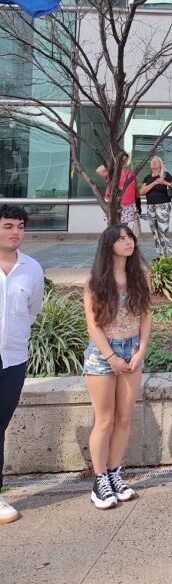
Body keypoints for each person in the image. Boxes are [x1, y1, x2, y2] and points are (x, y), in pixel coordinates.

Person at [82, 224, 151, 510]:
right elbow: (93, 324)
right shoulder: (96, 281)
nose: (128, 242)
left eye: (130, 237)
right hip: (103, 355)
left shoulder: (141, 276)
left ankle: (114, 473)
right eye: (121, 238)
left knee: (124, 418)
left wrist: (141, 350)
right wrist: (111, 357)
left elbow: (146, 315)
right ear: (108, 244)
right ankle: (99, 481)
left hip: (132, 351)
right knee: (105, 420)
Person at [0, 205, 44, 524]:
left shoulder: (32, 268)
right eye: (8, 226)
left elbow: (32, 309)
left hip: (13, 359)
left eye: (20, 226)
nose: (16, 232)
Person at [139, 156, 172, 259]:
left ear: (160, 164)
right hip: (150, 206)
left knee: (163, 229)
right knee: (154, 230)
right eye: (152, 161)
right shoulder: (147, 178)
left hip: (163, 205)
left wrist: (165, 182)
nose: (153, 163)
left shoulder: (165, 175)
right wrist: (154, 183)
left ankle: (166, 255)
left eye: (156, 161)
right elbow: (142, 192)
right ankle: (160, 254)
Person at [96, 152, 140, 233]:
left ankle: (120, 243)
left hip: (128, 205)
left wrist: (138, 206)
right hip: (114, 204)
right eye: (121, 160)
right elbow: (98, 170)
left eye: (125, 160)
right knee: (113, 227)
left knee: (123, 228)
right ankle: (113, 244)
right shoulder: (112, 174)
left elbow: (136, 191)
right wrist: (113, 163)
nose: (124, 162)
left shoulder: (133, 175)